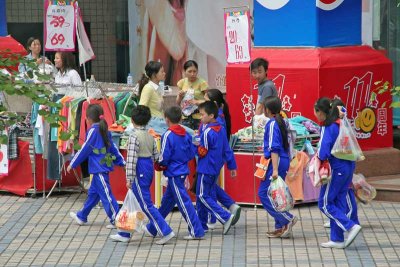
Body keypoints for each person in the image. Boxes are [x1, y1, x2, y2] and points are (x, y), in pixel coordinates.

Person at [110, 105, 175, 245]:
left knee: (146, 205)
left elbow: (131, 159)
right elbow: (157, 156)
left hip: (139, 169)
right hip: (148, 168)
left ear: (132, 120)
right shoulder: (151, 135)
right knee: (136, 200)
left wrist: (128, 178)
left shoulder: (134, 136)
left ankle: (166, 231)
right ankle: (124, 232)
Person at [145, 106, 205, 240]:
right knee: (167, 202)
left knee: (184, 203)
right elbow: (191, 153)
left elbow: (164, 155)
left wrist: (159, 164)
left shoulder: (168, 134)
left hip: (173, 173)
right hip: (182, 170)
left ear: (166, 119)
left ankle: (196, 230)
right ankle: (152, 228)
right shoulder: (185, 133)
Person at [68, 104, 126, 232]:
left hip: (99, 168)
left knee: (106, 194)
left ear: (88, 119)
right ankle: (82, 215)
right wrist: (121, 161)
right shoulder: (104, 129)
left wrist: (73, 163)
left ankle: (116, 218)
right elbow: (113, 148)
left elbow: (85, 149)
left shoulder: (93, 130)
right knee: (94, 194)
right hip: (101, 167)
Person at [314, 97, 362, 249]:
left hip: (336, 169)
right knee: (338, 202)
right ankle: (337, 239)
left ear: (321, 112)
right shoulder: (341, 123)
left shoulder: (329, 127)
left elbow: (323, 152)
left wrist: (317, 160)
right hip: (348, 167)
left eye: (316, 111)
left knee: (324, 203)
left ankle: (350, 226)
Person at [195, 101, 237, 235]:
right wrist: (232, 165)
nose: (201, 117)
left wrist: (192, 145)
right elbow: (227, 149)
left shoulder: (207, 132)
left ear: (211, 115)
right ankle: (202, 225)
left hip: (205, 168)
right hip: (215, 168)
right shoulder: (221, 129)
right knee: (201, 195)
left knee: (202, 195)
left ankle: (225, 217)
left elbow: (202, 151)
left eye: (202, 115)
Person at [258, 96, 297, 238]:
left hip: (277, 161)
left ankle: (287, 218)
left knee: (264, 193)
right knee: (275, 193)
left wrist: (274, 169)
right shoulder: (281, 121)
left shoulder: (273, 124)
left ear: (268, 109)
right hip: (283, 159)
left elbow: (274, 148)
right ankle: (280, 226)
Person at [203, 89, 241, 229]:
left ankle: (213, 218)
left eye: (205, 100)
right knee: (210, 186)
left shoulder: (215, 122)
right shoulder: (217, 119)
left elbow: (223, 145)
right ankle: (230, 205)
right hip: (214, 161)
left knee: (205, 191)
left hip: (210, 161)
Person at [323, 98, 359, 229]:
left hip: (342, 165)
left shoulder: (338, 126)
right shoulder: (341, 125)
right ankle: (341, 219)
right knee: (342, 196)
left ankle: (349, 220)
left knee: (345, 195)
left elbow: (324, 150)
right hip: (347, 163)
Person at [138, 60, 169, 134]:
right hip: (153, 124)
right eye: (162, 72)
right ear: (154, 75)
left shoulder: (157, 88)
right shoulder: (148, 88)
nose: (164, 73)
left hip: (160, 122)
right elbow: (141, 108)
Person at [176, 60, 208, 130]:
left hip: (199, 116)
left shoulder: (202, 83)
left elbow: (208, 101)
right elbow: (178, 102)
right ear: (184, 71)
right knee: (187, 137)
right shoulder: (181, 83)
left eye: (194, 71)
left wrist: (197, 102)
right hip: (186, 117)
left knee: (198, 137)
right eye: (190, 71)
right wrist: (180, 96)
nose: (192, 74)